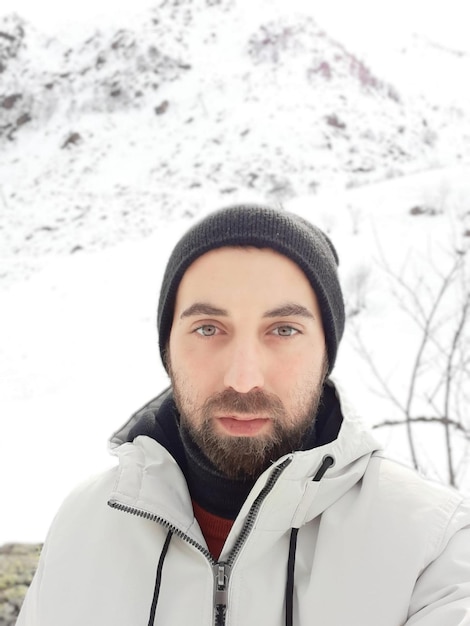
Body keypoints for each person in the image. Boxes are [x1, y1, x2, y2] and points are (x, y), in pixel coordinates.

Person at [18, 204, 470, 626]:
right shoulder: (83, 525)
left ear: (325, 354)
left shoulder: (431, 549)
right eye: (209, 328)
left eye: (284, 329)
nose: (243, 378)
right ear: (168, 349)